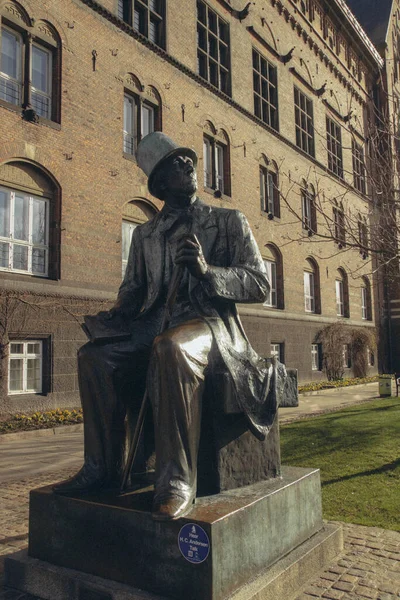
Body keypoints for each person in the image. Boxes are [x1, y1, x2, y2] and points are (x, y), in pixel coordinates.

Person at [54, 132, 277, 521]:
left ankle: (175, 481)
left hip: (210, 327)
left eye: (188, 160)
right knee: (93, 357)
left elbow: (259, 283)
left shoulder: (227, 222)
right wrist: (116, 315)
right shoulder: (145, 235)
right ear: (159, 183)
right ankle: (101, 468)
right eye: (177, 162)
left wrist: (208, 272)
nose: (189, 164)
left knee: (172, 348)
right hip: (152, 326)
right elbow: (133, 290)